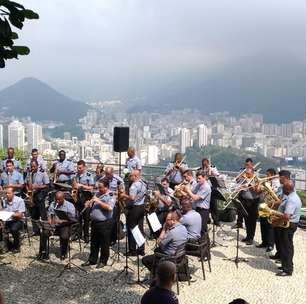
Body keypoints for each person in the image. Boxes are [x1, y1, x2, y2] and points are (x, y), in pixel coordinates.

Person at [82, 179, 115, 268]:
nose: (99, 189)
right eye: (98, 187)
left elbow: (110, 208)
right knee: (94, 242)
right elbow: (93, 204)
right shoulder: (97, 194)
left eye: (101, 188)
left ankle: (103, 261)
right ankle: (92, 259)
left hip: (105, 222)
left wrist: (99, 201)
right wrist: (88, 204)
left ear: (106, 187)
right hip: (95, 222)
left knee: (104, 243)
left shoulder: (110, 195)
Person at [38, 191, 76, 260]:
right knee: (44, 232)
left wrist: (61, 221)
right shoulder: (53, 204)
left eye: (59, 199)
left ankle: (63, 252)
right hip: (54, 224)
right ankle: (43, 252)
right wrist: (49, 220)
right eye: (56, 199)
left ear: (63, 198)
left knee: (64, 236)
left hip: (65, 225)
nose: (57, 201)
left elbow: (72, 219)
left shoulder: (70, 205)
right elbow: (49, 214)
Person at [120, 170, 147, 256]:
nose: (129, 177)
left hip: (134, 208)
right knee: (140, 228)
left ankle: (132, 250)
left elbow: (132, 198)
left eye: (131, 176)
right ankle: (141, 249)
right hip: (142, 207)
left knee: (132, 228)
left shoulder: (134, 186)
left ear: (135, 176)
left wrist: (124, 195)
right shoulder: (143, 183)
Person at [269, 170, 291, 261]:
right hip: (278, 213)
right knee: (277, 236)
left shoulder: (289, 187)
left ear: (284, 177)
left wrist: (274, 202)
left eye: (279, 177)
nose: (278, 179)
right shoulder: (282, 187)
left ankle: (283, 257)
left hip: (283, 215)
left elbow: (284, 201)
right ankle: (278, 254)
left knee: (283, 239)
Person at [257, 168, 280, 252]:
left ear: (272, 174)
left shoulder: (276, 182)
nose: (266, 176)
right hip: (264, 204)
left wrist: (267, 186)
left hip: (271, 206)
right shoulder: (267, 182)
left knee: (269, 225)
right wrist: (260, 184)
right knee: (263, 224)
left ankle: (270, 244)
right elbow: (259, 191)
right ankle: (264, 242)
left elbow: (274, 191)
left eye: (268, 175)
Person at [25, 160, 50, 235]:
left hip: (39, 195)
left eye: (34, 166)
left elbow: (47, 185)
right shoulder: (29, 174)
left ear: (37, 166)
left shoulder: (42, 173)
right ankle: (36, 231)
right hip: (32, 195)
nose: (32, 168)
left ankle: (46, 231)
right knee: (33, 214)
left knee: (43, 214)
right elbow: (26, 183)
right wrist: (28, 190)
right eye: (31, 166)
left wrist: (38, 186)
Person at [74, 160, 94, 243]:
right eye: (78, 168)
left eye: (80, 168)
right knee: (78, 217)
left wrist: (81, 186)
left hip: (86, 197)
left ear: (84, 167)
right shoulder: (76, 175)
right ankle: (78, 234)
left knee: (86, 218)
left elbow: (92, 188)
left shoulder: (89, 175)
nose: (78, 169)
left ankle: (86, 236)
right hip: (78, 197)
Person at [238, 168, 260, 245]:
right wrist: (240, 188)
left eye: (248, 174)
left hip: (253, 201)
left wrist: (249, 183)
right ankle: (247, 236)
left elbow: (257, 191)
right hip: (245, 200)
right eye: (246, 173)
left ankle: (251, 238)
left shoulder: (256, 179)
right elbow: (240, 187)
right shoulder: (244, 179)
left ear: (252, 173)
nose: (246, 175)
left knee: (252, 220)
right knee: (246, 219)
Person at [0, 187, 25, 253]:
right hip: (8, 220)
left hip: (18, 220)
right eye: (6, 193)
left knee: (14, 229)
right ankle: (6, 246)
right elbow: (3, 211)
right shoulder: (4, 200)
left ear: (13, 193)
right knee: (1, 228)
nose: (7, 194)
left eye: (9, 193)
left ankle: (17, 246)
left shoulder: (20, 200)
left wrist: (10, 214)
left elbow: (20, 215)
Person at [232, 158, 255, 229]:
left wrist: (249, 175)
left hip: (249, 194)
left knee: (247, 211)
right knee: (239, 209)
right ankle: (239, 223)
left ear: (252, 165)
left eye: (248, 165)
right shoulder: (242, 170)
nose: (247, 166)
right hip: (241, 192)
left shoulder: (255, 172)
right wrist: (242, 174)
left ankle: (247, 224)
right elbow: (237, 180)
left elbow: (254, 182)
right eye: (246, 165)